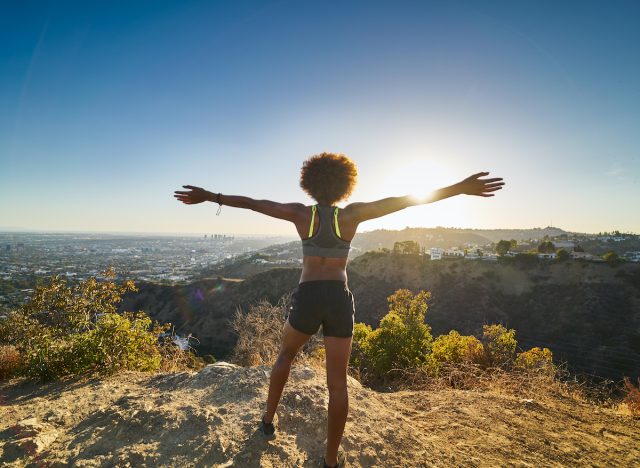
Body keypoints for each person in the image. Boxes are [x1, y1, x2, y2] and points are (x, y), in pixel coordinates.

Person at [174, 152, 504, 467]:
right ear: (345, 183)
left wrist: (210, 196)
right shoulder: (352, 215)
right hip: (338, 298)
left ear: (310, 182)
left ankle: (267, 421)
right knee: (338, 384)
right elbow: (407, 200)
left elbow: (252, 203)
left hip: (308, 296)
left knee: (285, 356)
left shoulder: (301, 214)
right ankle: (330, 460)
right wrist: (460, 188)